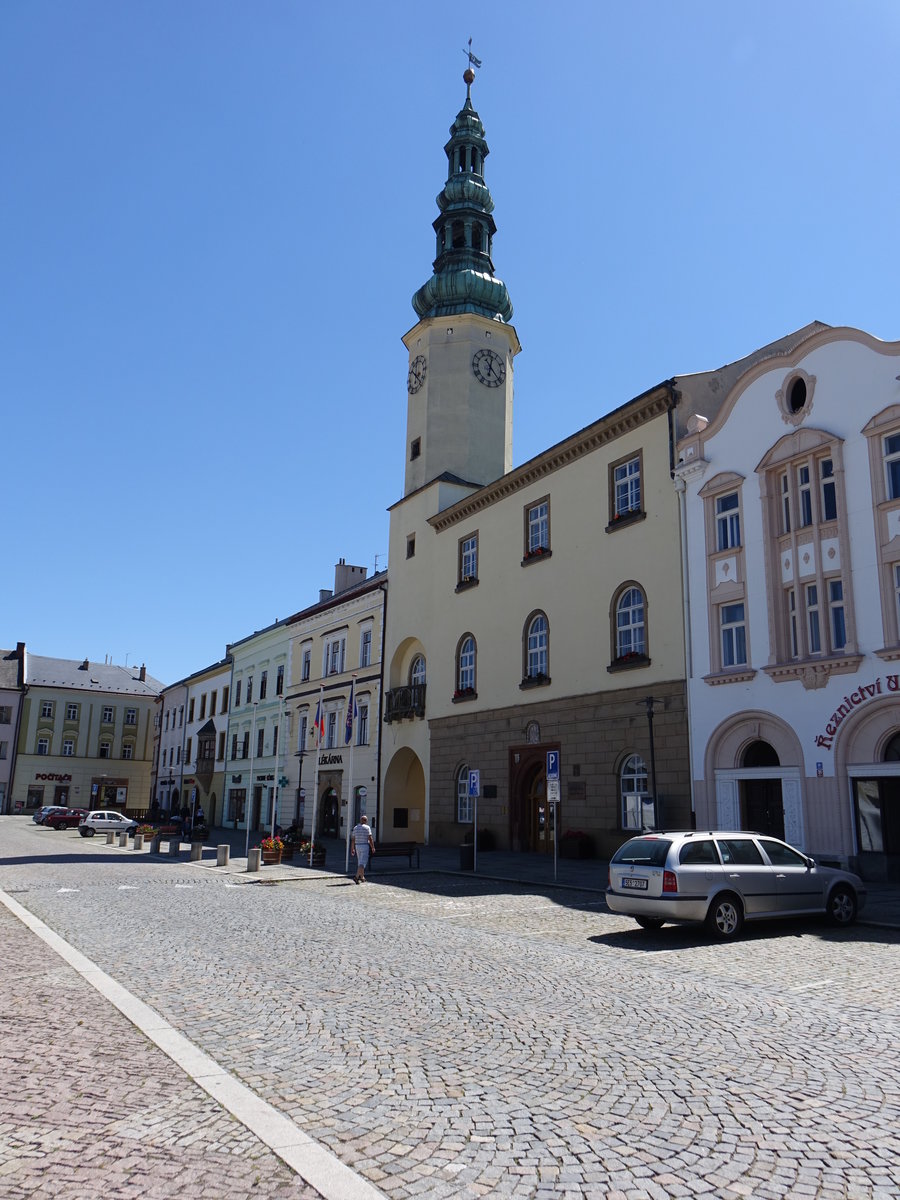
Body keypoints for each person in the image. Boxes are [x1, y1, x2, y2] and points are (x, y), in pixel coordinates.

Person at [350, 814, 375, 884]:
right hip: (364, 845)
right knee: (362, 863)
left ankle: (362, 877)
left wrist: (352, 848)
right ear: (365, 821)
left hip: (357, 845)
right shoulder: (367, 828)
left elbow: (353, 839)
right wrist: (372, 847)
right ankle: (356, 876)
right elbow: (370, 838)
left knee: (360, 861)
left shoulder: (355, 828)